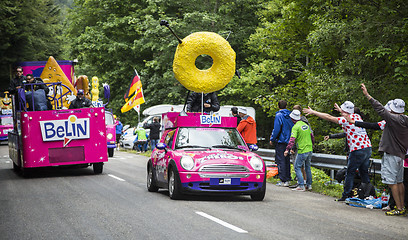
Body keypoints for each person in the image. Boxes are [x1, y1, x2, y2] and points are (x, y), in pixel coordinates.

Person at [303, 100, 372, 201]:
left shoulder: (345, 120)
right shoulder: (357, 117)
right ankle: (367, 194)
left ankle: (346, 195)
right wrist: (341, 110)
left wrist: (314, 112)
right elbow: (348, 113)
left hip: (357, 149)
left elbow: (329, 117)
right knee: (364, 172)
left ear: (344, 111)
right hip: (367, 148)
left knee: (350, 172)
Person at [359, 83, 408, 216]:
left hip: (392, 155)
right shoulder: (405, 119)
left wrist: (367, 95)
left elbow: (380, 109)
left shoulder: (393, 119)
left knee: (392, 183)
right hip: (401, 156)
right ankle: (402, 206)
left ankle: (398, 208)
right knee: (399, 182)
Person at [284, 110, 314, 191]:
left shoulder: (295, 127)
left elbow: (292, 139)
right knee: (307, 167)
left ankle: (301, 185)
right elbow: (312, 137)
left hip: (302, 150)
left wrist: (287, 149)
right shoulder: (306, 125)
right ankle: (309, 185)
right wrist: (313, 145)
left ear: (292, 119)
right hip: (309, 149)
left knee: (297, 167)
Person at [269, 100, 294, 187]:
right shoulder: (291, 115)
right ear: (286, 106)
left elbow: (277, 129)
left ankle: (283, 180)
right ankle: (288, 178)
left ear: (278, 106)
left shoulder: (279, 115)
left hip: (281, 141)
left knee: (281, 160)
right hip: (290, 141)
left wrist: (272, 139)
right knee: (287, 160)